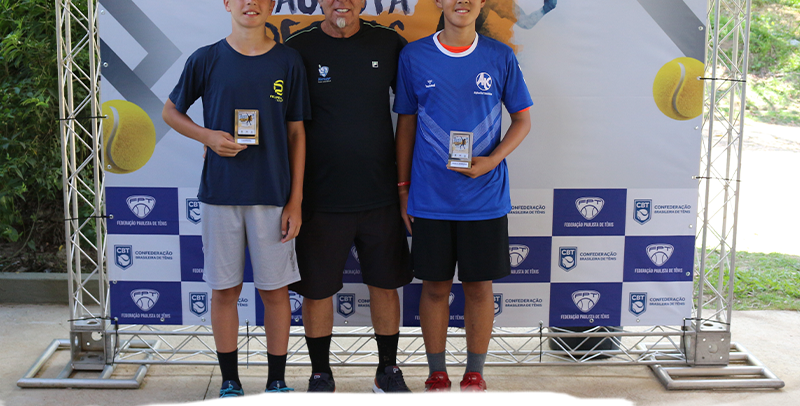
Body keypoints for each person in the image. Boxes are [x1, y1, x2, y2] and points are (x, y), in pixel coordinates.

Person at [162, 0, 310, 397]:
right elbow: (171, 111)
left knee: (274, 292)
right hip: (221, 195)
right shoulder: (206, 58)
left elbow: (297, 133)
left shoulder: (288, 61)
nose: (251, 3)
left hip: (272, 196)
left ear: (273, 4)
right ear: (227, 3)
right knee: (225, 291)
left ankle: (276, 381)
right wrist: (207, 136)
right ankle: (230, 381)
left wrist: (295, 201)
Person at [394, 0, 533, 392]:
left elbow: (522, 120)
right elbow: (406, 125)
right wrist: (403, 188)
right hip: (430, 197)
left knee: (478, 288)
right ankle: (437, 372)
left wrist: (493, 160)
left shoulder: (500, 56)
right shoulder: (414, 56)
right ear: (438, 2)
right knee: (435, 287)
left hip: (484, 199)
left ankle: (475, 373)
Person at [284, 0, 413, 393]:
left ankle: (387, 371)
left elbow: (411, 114)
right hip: (320, 199)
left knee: (385, 285)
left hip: (380, 194)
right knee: (316, 291)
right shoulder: (298, 49)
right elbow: (281, 119)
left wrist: (404, 187)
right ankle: (320, 374)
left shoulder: (389, 44)